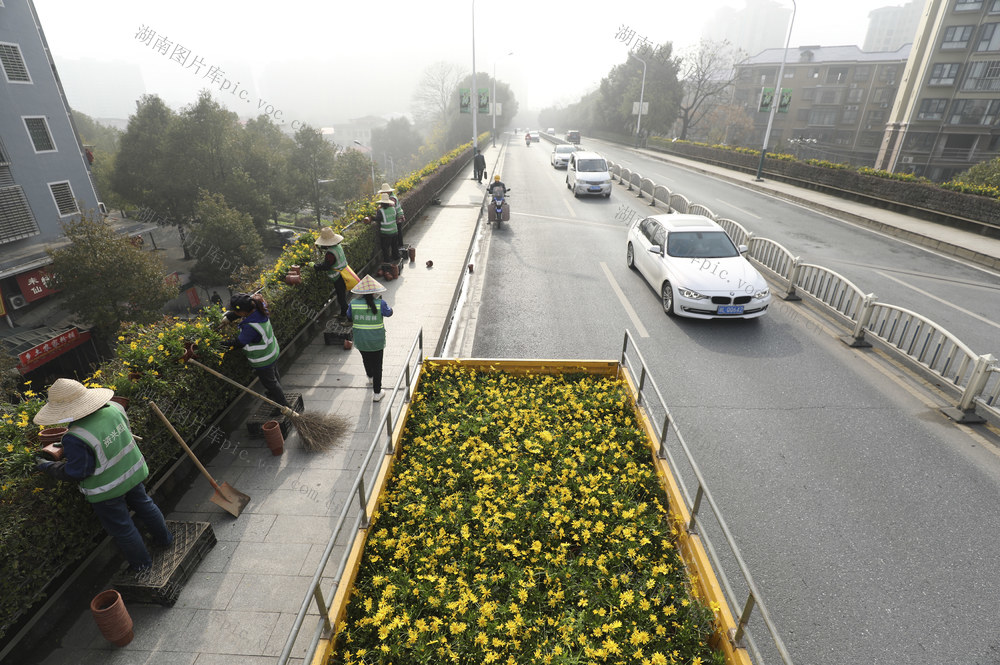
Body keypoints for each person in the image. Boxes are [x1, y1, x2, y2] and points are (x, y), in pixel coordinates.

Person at [34, 379, 173, 574]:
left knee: (123, 527)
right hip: (132, 473)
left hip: (107, 489)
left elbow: (77, 471)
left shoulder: (75, 436)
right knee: (145, 504)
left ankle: (142, 565)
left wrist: (48, 466)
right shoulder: (114, 408)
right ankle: (165, 539)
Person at [224, 293, 289, 407]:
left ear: (243, 311)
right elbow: (241, 313)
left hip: (263, 359)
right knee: (273, 376)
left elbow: (238, 343)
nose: (235, 313)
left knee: (271, 383)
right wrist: (230, 317)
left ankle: (283, 405)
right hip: (272, 351)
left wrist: (219, 344)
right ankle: (275, 394)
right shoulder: (258, 307)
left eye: (236, 311)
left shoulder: (251, 327)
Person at [346, 275, 393, 402]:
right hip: (377, 340)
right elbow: (389, 313)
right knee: (378, 365)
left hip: (361, 339)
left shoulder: (353, 304)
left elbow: (349, 317)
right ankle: (377, 393)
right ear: (374, 292)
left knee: (366, 358)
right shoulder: (380, 303)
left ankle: (370, 377)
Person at [311, 227, 349, 320]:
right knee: (342, 297)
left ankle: (347, 316)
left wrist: (314, 266)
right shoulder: (337, 246)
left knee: (341, 298)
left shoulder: (330, 254)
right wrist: (321, 247)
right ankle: (344, 314)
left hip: (338, 277)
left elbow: (326, 265)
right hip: (344, 273)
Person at [374, 192, 401, 263]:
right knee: (394, 246)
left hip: (386, 233)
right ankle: (396, 257)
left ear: (382, 203)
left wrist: (371, 217)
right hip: (395, 231)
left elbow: (377, 219)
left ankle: (387, 260)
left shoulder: (381, 211)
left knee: (385, 248)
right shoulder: (393, 208)